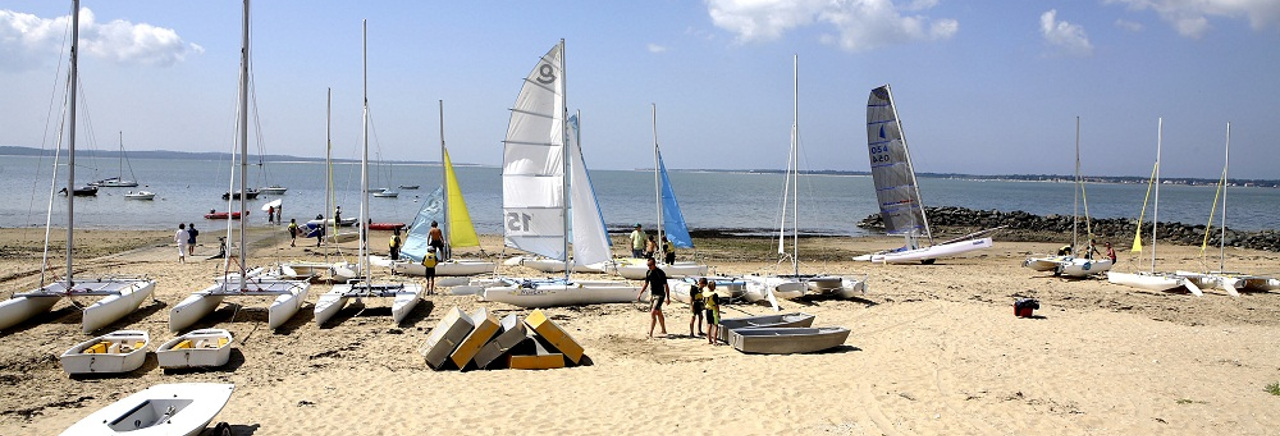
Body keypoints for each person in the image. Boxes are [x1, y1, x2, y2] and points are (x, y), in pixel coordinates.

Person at [638, 257, 669, 338]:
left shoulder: (660, 273)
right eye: (648, 265)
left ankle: (651, 333)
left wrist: (668, 298)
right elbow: (646, 284)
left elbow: (666, 286)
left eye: (650, 265)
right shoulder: (648, 272)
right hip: (653, 295)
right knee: (658, 312)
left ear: (654, 264)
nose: (649, 267)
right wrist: (640, 293)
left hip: (660, 295)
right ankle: (663, 330)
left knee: (653, 313)